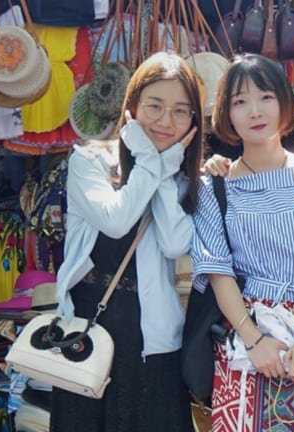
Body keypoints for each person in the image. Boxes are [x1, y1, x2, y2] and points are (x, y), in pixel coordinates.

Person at [190, 53, 294, 432]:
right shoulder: (215, 187)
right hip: (244, 341)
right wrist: (254, 340)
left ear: (284, 103)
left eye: (265, 97)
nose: (254, 111)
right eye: (240, 102)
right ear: (226, 114)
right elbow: (218, 272)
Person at [52, 51, 203, 432]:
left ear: (193, 121)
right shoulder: (90, 162)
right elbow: (117, 220)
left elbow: (173, 243)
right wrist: (152, 160)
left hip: (151, 336)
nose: (167, 121)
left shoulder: (181, 179)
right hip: (89, 330)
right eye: (155, 106)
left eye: (181, 111)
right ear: (132, 106)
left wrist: (165, 169)